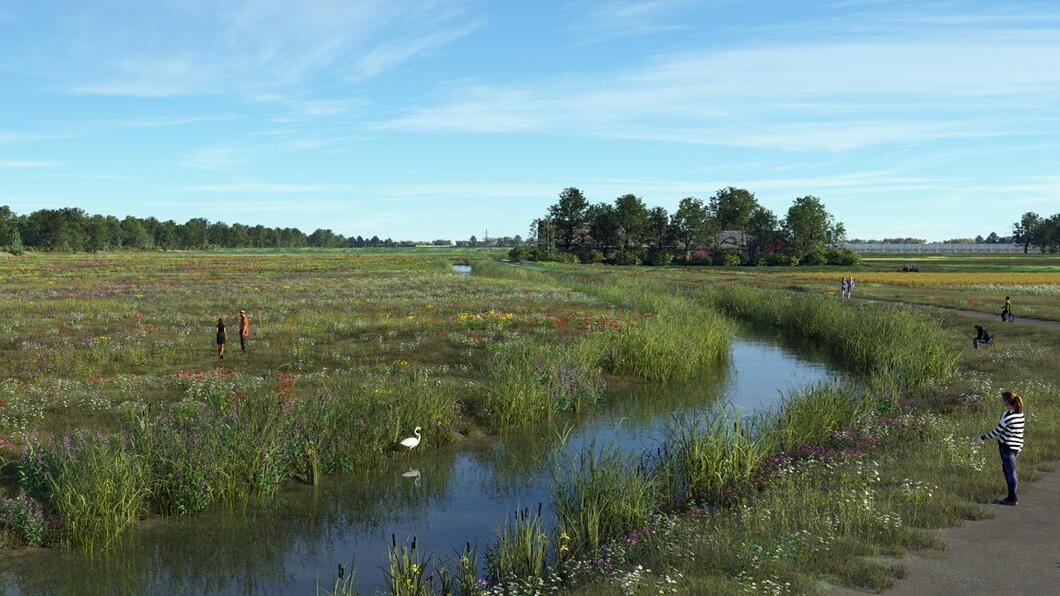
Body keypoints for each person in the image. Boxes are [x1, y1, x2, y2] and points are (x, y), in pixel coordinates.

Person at [978, 391, 1025, 505]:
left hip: (1007, 447)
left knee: (1010, 472)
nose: (1000, 400)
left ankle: (1012, 499)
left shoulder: (1006, 415)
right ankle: (1011, 496)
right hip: (1017, 446)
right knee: (1007, 469)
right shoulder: (1020, 413)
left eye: (1002, 399)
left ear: (1006, 401)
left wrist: (981, 438)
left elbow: (996, 432)